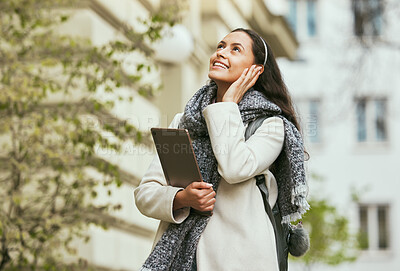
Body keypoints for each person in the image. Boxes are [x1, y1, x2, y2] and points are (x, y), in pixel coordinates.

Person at [134, 28, 309, 271]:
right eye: (220, 46)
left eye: (235, 49)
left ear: (256, 70)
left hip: (242, 260)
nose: (221, 53)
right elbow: (145, 193)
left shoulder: (271, 125)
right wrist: (181, 198)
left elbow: (234, 168)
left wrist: (228, 105)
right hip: (185, 260)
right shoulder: (185, 121)